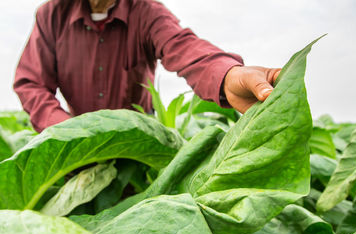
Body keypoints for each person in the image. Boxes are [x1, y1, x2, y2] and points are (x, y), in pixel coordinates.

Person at [14, 0, 280, 133]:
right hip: (75, 152)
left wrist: (228, 75)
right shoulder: (52, 15)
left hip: (136, 147)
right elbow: (31, 82)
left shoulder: (146, 12)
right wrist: (66, 130)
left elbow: (183, 46)